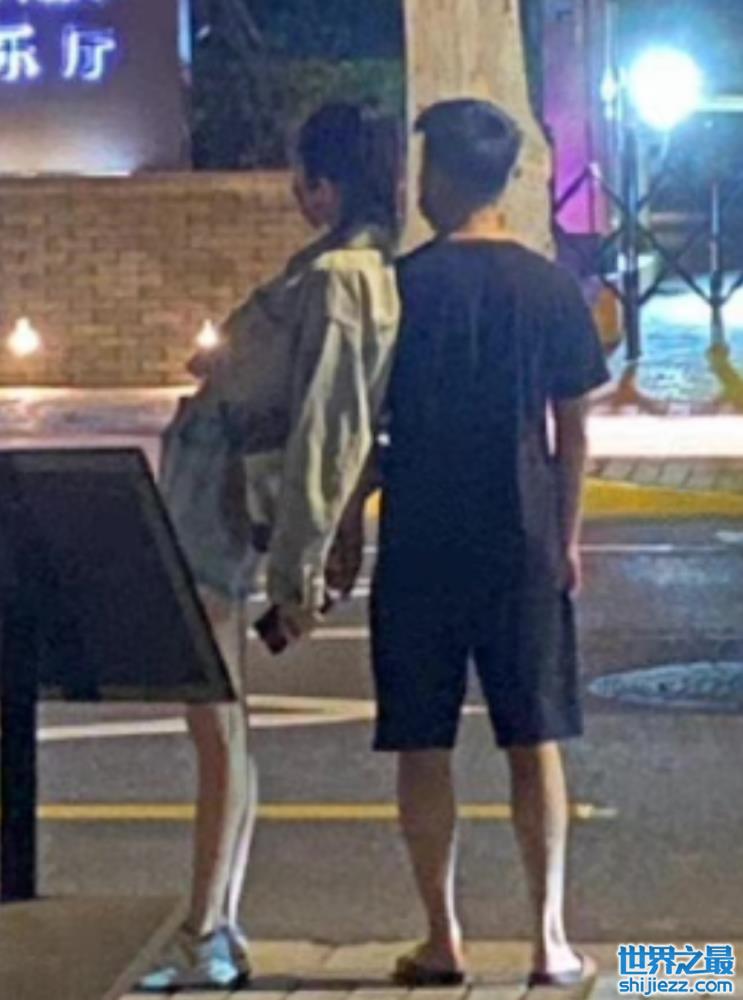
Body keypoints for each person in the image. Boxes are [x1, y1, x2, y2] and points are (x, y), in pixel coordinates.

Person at [138, 103, 401, 992]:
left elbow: (328, 430)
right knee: (219, 725)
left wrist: (299, 573)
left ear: (325, 185)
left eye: (302, 173)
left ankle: (206, 932)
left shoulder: (338, 280)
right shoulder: (336, 272)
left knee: (216, 727)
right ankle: (211, 927)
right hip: (209, 510)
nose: (295, 189)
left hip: (216, 520)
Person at [369, 99, 609, 989]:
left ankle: (442, 940)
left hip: (419, 539)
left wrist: (345, 530)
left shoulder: (401, 287)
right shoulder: (548, 287)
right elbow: (572, 429)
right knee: (533, 737)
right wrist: (566, 536)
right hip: (522, 535)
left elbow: (368, 429)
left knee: (421, 742)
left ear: (436, 177)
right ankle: (549, 942)